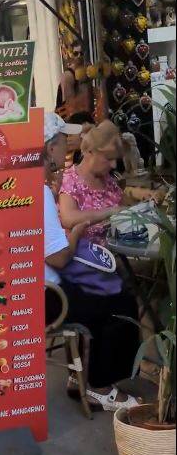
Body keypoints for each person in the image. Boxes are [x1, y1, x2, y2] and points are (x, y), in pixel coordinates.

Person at [43, 111, 139, 412]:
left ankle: (84, 377)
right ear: (49, 149)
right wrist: (78, 232)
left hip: (55, 282)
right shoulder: (43, 192)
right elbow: (58, 258)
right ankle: (100, 385)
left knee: (117, 294)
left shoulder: (39, 189)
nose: (67, 147)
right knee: (117, 305)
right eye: (62, 142)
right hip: (51, 291)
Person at [59, 120, 126, 244]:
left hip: (107, 257)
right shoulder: (70, 179)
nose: (114, 165)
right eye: (109, 158)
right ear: (90, 152)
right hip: (79, 257)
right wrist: (109, 212)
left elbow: (125, 208)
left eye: (115, 159)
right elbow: (68, 218)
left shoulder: (109, 182)